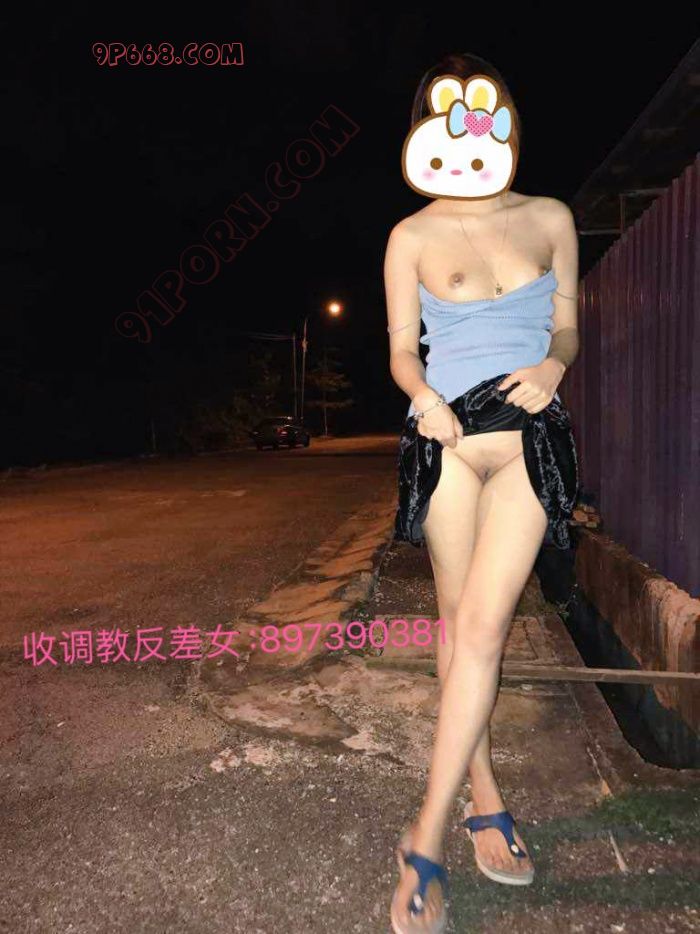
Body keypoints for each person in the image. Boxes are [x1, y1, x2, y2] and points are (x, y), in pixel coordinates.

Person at [384, 52, 580, 934]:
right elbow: (402, 350)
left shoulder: (550, 216)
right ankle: (484, 793)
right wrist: (423, 398)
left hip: (530, 438)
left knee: (486, 629)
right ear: (426, 131)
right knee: (458, 622)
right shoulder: (410, 235)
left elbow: (567, 325)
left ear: (505, 124)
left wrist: (553, 365)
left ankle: (423, 839)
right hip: (449, 444)